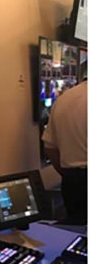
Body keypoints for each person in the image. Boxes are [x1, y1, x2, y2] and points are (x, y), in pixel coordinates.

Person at [42, 78, 87, 225]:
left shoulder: (64, 99)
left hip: (73, 182)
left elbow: (50, 147)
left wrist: (69, 174)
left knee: (74, 232)